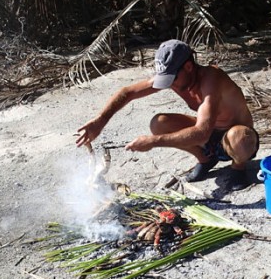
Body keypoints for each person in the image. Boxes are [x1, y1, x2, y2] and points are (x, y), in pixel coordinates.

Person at [75, 39, 259, 192]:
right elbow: (128, 92)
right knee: (159, 123)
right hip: (211, 130)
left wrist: (153, 142)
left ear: (188, 67)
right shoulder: (174, 76)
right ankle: (205, 159)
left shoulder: (212, 80)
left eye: (172, 79)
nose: (170, 85)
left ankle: (238, 167)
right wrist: (100, 120)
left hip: (238, 134)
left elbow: (202, 132)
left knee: (238, 138)